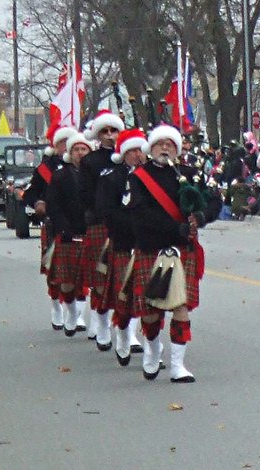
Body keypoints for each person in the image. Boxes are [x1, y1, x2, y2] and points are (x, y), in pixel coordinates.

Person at [127, 125, 216, 382]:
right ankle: (152, 351)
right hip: (152, 248)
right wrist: (173, 227)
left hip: (182, 250)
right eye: (159, 144)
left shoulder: (190, 174)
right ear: (150, 148)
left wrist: (201, 216)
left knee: (181, 307)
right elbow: (141, 214)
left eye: (170, 144)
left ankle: (178, 365)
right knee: (152, 312)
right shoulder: (138, 178)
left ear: (176, 149)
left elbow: (213, 200)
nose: (165, 148)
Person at [98, 128, 148, 363]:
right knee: (125, 295)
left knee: (146, 296)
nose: (138, 155)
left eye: (141, 150)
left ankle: (146, 343)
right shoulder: (112, 178)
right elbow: (107, 212)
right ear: (124, 154)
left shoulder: (151, 177)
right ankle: (123, 333)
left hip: (148, 243)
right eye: (133, 151)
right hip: (124, 243)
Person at [23, 125, 76, 330]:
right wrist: (37, 203)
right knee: (54, 270)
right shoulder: (44, 169)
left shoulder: (82, 168)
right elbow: (30, 193)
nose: (66, 147)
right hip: (53, 224)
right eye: (63, 142)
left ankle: (74, 310)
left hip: (76, 224)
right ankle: (56, 305)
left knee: (77, 270)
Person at [79, 110, 125, 341]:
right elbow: (85, 195)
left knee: (124, 278)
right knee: (100, 277)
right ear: (98, 135)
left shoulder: (128, 158)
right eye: (105, 131)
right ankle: (101, 320)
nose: (110, 135)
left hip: (126, 224)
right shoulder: (90, 161)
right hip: (100, 223)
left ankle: (126, 329)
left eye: (114, 130)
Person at [46, 133, 94, 337]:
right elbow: (54, 206)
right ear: (70, 153)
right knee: (66, 281)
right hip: (67, 232)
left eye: (84, 149)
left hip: (91, 231)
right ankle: (71, 313)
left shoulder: (97, 175)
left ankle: (81, 318)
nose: (80, 153)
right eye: (77, 149)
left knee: (87, 280)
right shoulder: (60, 176)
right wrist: (63, 228)